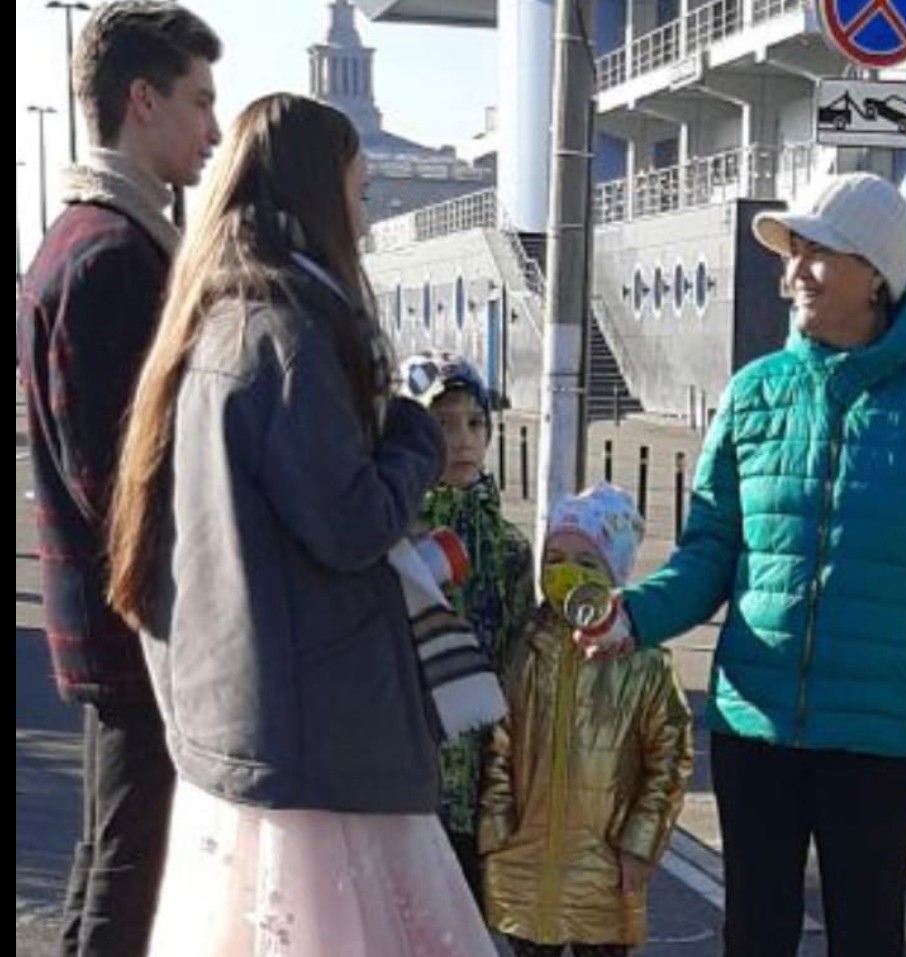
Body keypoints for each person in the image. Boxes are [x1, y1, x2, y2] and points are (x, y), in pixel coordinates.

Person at [574, 172, 906, 957]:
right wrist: (633, 614)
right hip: (756, 721)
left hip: (882, 735)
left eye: (816, 252)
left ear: (875, 273)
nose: (794, 271)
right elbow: (709, 552)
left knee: (867, 933)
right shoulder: (754, 393)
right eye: (792, 251)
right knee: (755, 933)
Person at [106, 93, 496, 956]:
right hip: (319, 744)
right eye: (359, 192)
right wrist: (415, 437)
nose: (364, 217)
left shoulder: (209, 319)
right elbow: (352, 522)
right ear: (321, 195)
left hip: (239, 726)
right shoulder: (289, 332)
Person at [15, 4, 222, 953]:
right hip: (137, 623)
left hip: (114, 620)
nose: (212, 129)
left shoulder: (89, 240)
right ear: (143, 100)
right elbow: (123, 484)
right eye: (198, 101)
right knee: (129, 879)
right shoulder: (112, 258)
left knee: (114, 861)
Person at [480, 482, 694, 957]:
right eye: (554, 559)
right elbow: (499, 742)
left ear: (614, 572)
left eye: (586, 561)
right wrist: (496, 827)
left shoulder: (642, 660)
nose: (566, 573)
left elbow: (669, 758)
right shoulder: (526, 648)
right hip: (526, 863)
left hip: (604, 872)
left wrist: (641, 844)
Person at [398, 349, 536, 903]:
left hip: (483, 779)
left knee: (470, 918)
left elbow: (518, 659)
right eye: (441, 423)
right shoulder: (391, 539)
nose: (462, 440)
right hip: (408, 775)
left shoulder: (508, 547)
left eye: (475, 423)